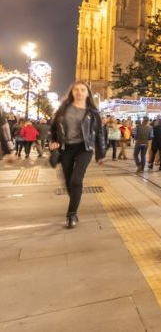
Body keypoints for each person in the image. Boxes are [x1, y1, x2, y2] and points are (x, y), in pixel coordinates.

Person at [49, 81, 107, 228]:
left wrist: (101, 153)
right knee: (68, 182)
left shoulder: (93, 113)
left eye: (83, 89)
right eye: (76, 89)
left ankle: (71, 213)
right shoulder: (63, 109)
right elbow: (54, 129)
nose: (79, 92)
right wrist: (53, 141)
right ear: (72, 92)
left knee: (76, 180)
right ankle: (74, 200)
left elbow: (99, 133)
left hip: (84, 149)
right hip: (66, 148)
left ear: (88, 93)